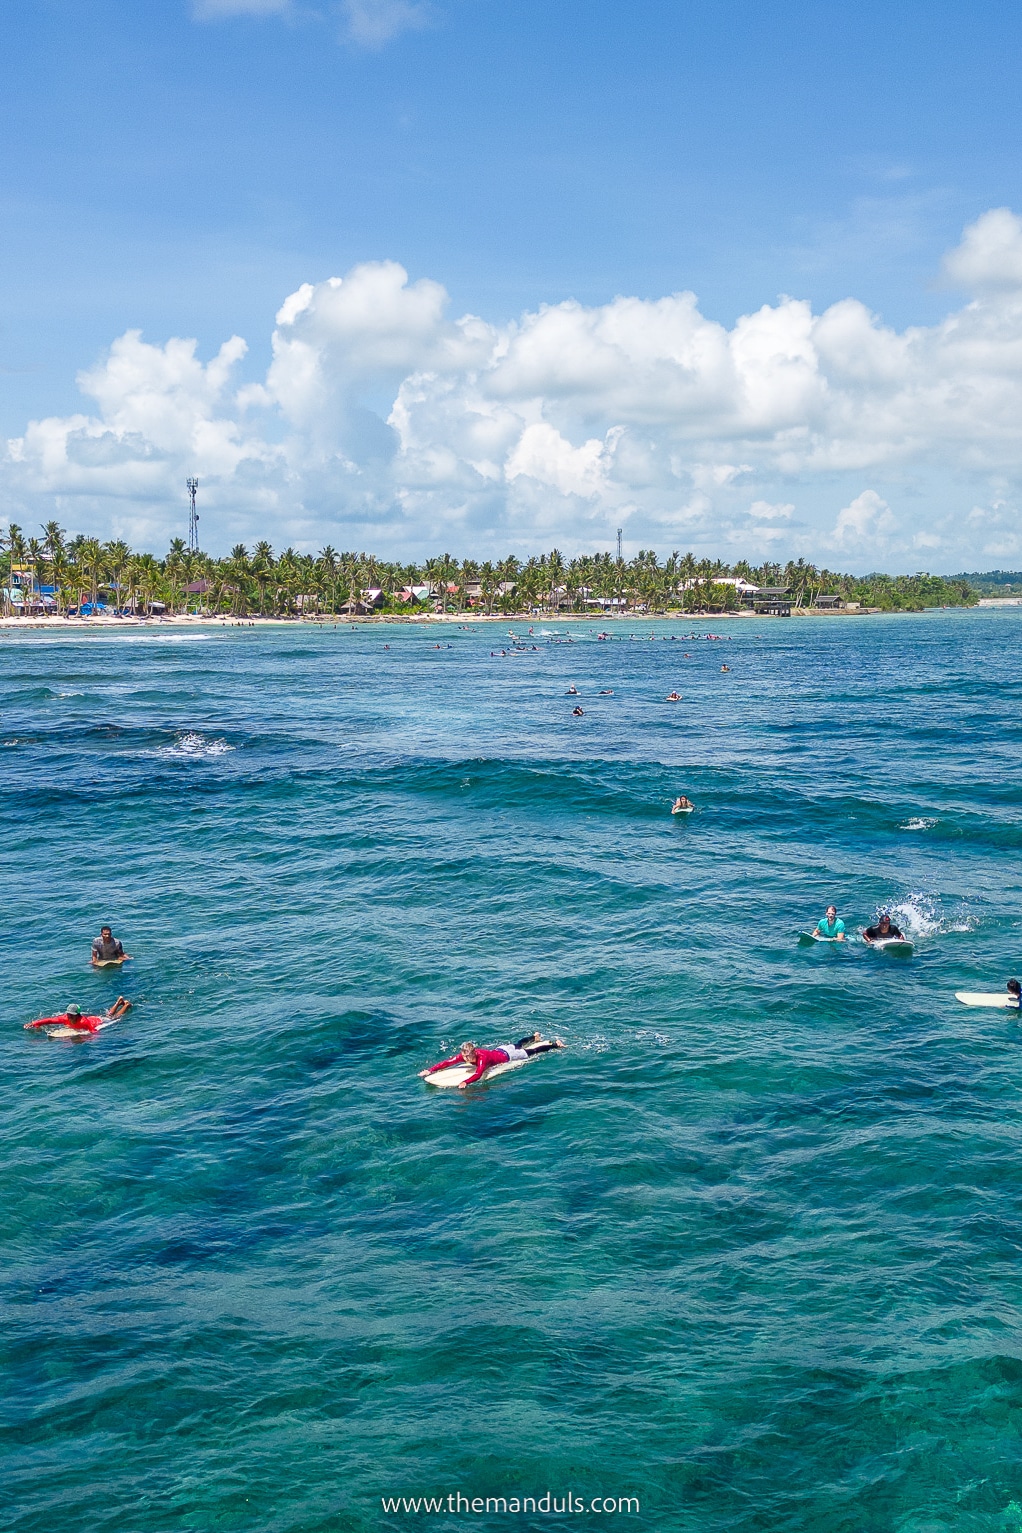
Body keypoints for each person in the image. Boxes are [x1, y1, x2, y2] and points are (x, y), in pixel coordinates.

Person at [421, 1035, 565, 1089]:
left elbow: (478, 1074)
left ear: (474, 1052)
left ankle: (555, 1045)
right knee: (518, 1043)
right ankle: (534, 1037)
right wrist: (431, 1070)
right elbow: (447, 1062)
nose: (465, 1059)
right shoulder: (464, 1056)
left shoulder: (482, 1058)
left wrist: (466, 1082)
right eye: (464, 1057)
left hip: (509, 1056)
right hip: (500, 1049)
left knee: (533, 1052)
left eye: (468, 1057)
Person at [25, 997, 132, 1034]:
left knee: (114, 1018)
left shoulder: (83, 1021)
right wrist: (33, 1023)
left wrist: (89, 1039)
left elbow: (94, 1031)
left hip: (98, 1021)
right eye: (68, 1014)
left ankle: (125, 1005)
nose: (69, 1017)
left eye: (72, 1015)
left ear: (77, 1015)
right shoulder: (64, 1018)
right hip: (94, 1018)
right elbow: (49, 1020)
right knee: (108, 1015)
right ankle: (118, 1002)